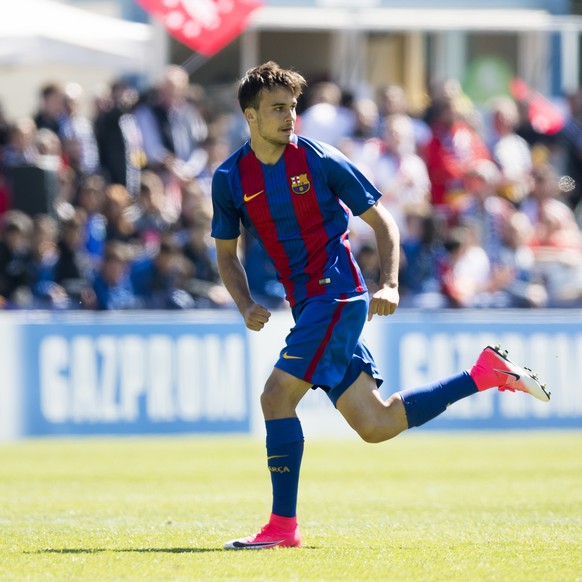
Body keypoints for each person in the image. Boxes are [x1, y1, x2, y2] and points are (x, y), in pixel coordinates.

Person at [211, 61, 551, 551]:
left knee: (275, 398)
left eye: (293, 108)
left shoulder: (320, 159)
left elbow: (384, 222)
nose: (290, 118)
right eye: (278, 109)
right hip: (309, 305)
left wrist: (388, 284)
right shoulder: (230, 178)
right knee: (377, 425)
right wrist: (244, 304)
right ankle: (484, 374)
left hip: (337, 294)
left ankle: (283, 528)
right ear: (250, 116)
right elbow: (226, 254)